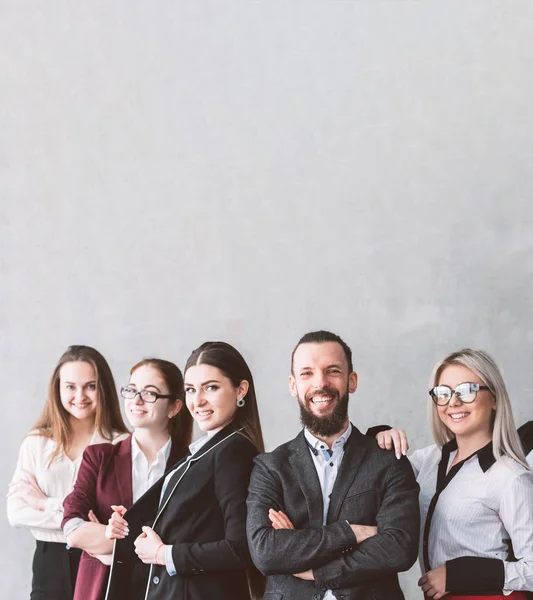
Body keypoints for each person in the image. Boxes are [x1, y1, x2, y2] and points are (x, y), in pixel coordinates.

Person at [246, 330, 420, 600]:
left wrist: (315, 567)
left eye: (333, 371)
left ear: (352, 381)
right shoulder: (270, 467)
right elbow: (266, 552)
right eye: (307, 373)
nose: (321, 383)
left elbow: (399, 547)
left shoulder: (388, 460)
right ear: (293, 385)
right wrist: (353, 532)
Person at [104, 341, 265, 600]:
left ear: (240, 390)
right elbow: (194, 524)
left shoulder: (233, 451)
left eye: (211, 388)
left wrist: (162, 554)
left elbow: (240, 548)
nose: (198, 401)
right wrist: (133, 521)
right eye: (191, 390)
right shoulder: (207, 449)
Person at [376, 348, 533, 599]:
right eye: (443, 393)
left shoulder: (511, 477)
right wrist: (380, 436)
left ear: (493, 398)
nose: (453, 402)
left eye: (467, 390)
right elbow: (377, 479)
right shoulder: (428, 460)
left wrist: (460, 574)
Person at [61, 358, 193, 600]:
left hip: (168, 590)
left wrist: (107, 541)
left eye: (149, 393)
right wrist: (130, 540)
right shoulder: (98, 457)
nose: (136, 400)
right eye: (131, 390)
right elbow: (72, 527)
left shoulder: (191, 463)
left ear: (174, 407)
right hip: (104, 590)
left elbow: (189, 540)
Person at [7, 345, 128, 600]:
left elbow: (122, 517)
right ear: (58, 389)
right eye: (70, 386)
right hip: (49, 561)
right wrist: (81, 524)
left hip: (102, 559)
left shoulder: (121, 444)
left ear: (103, 388)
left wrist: (42, 504)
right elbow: (15, 512)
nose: (80, 395)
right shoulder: (36, 443)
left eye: (90, 386)